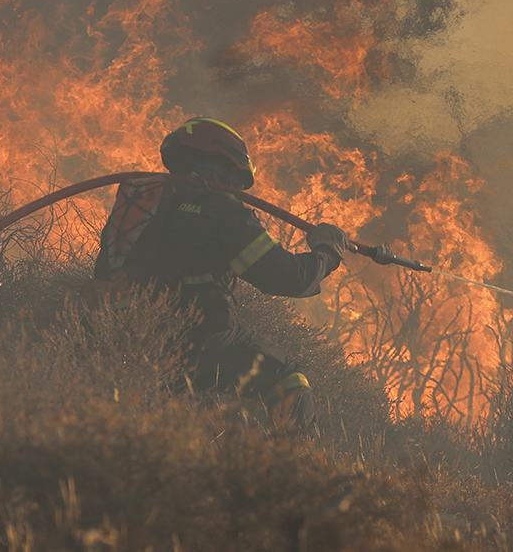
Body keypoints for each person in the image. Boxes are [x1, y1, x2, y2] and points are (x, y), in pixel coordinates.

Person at [90, 118, 349, 435]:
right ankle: (291, 474)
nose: (236, 190)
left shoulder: (142, 200)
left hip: (119, 335)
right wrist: (327, 252)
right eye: (233, 179)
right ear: (218, 167)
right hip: (197, 341)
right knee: (289, 379)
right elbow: (287, 278)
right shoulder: (222, 210)